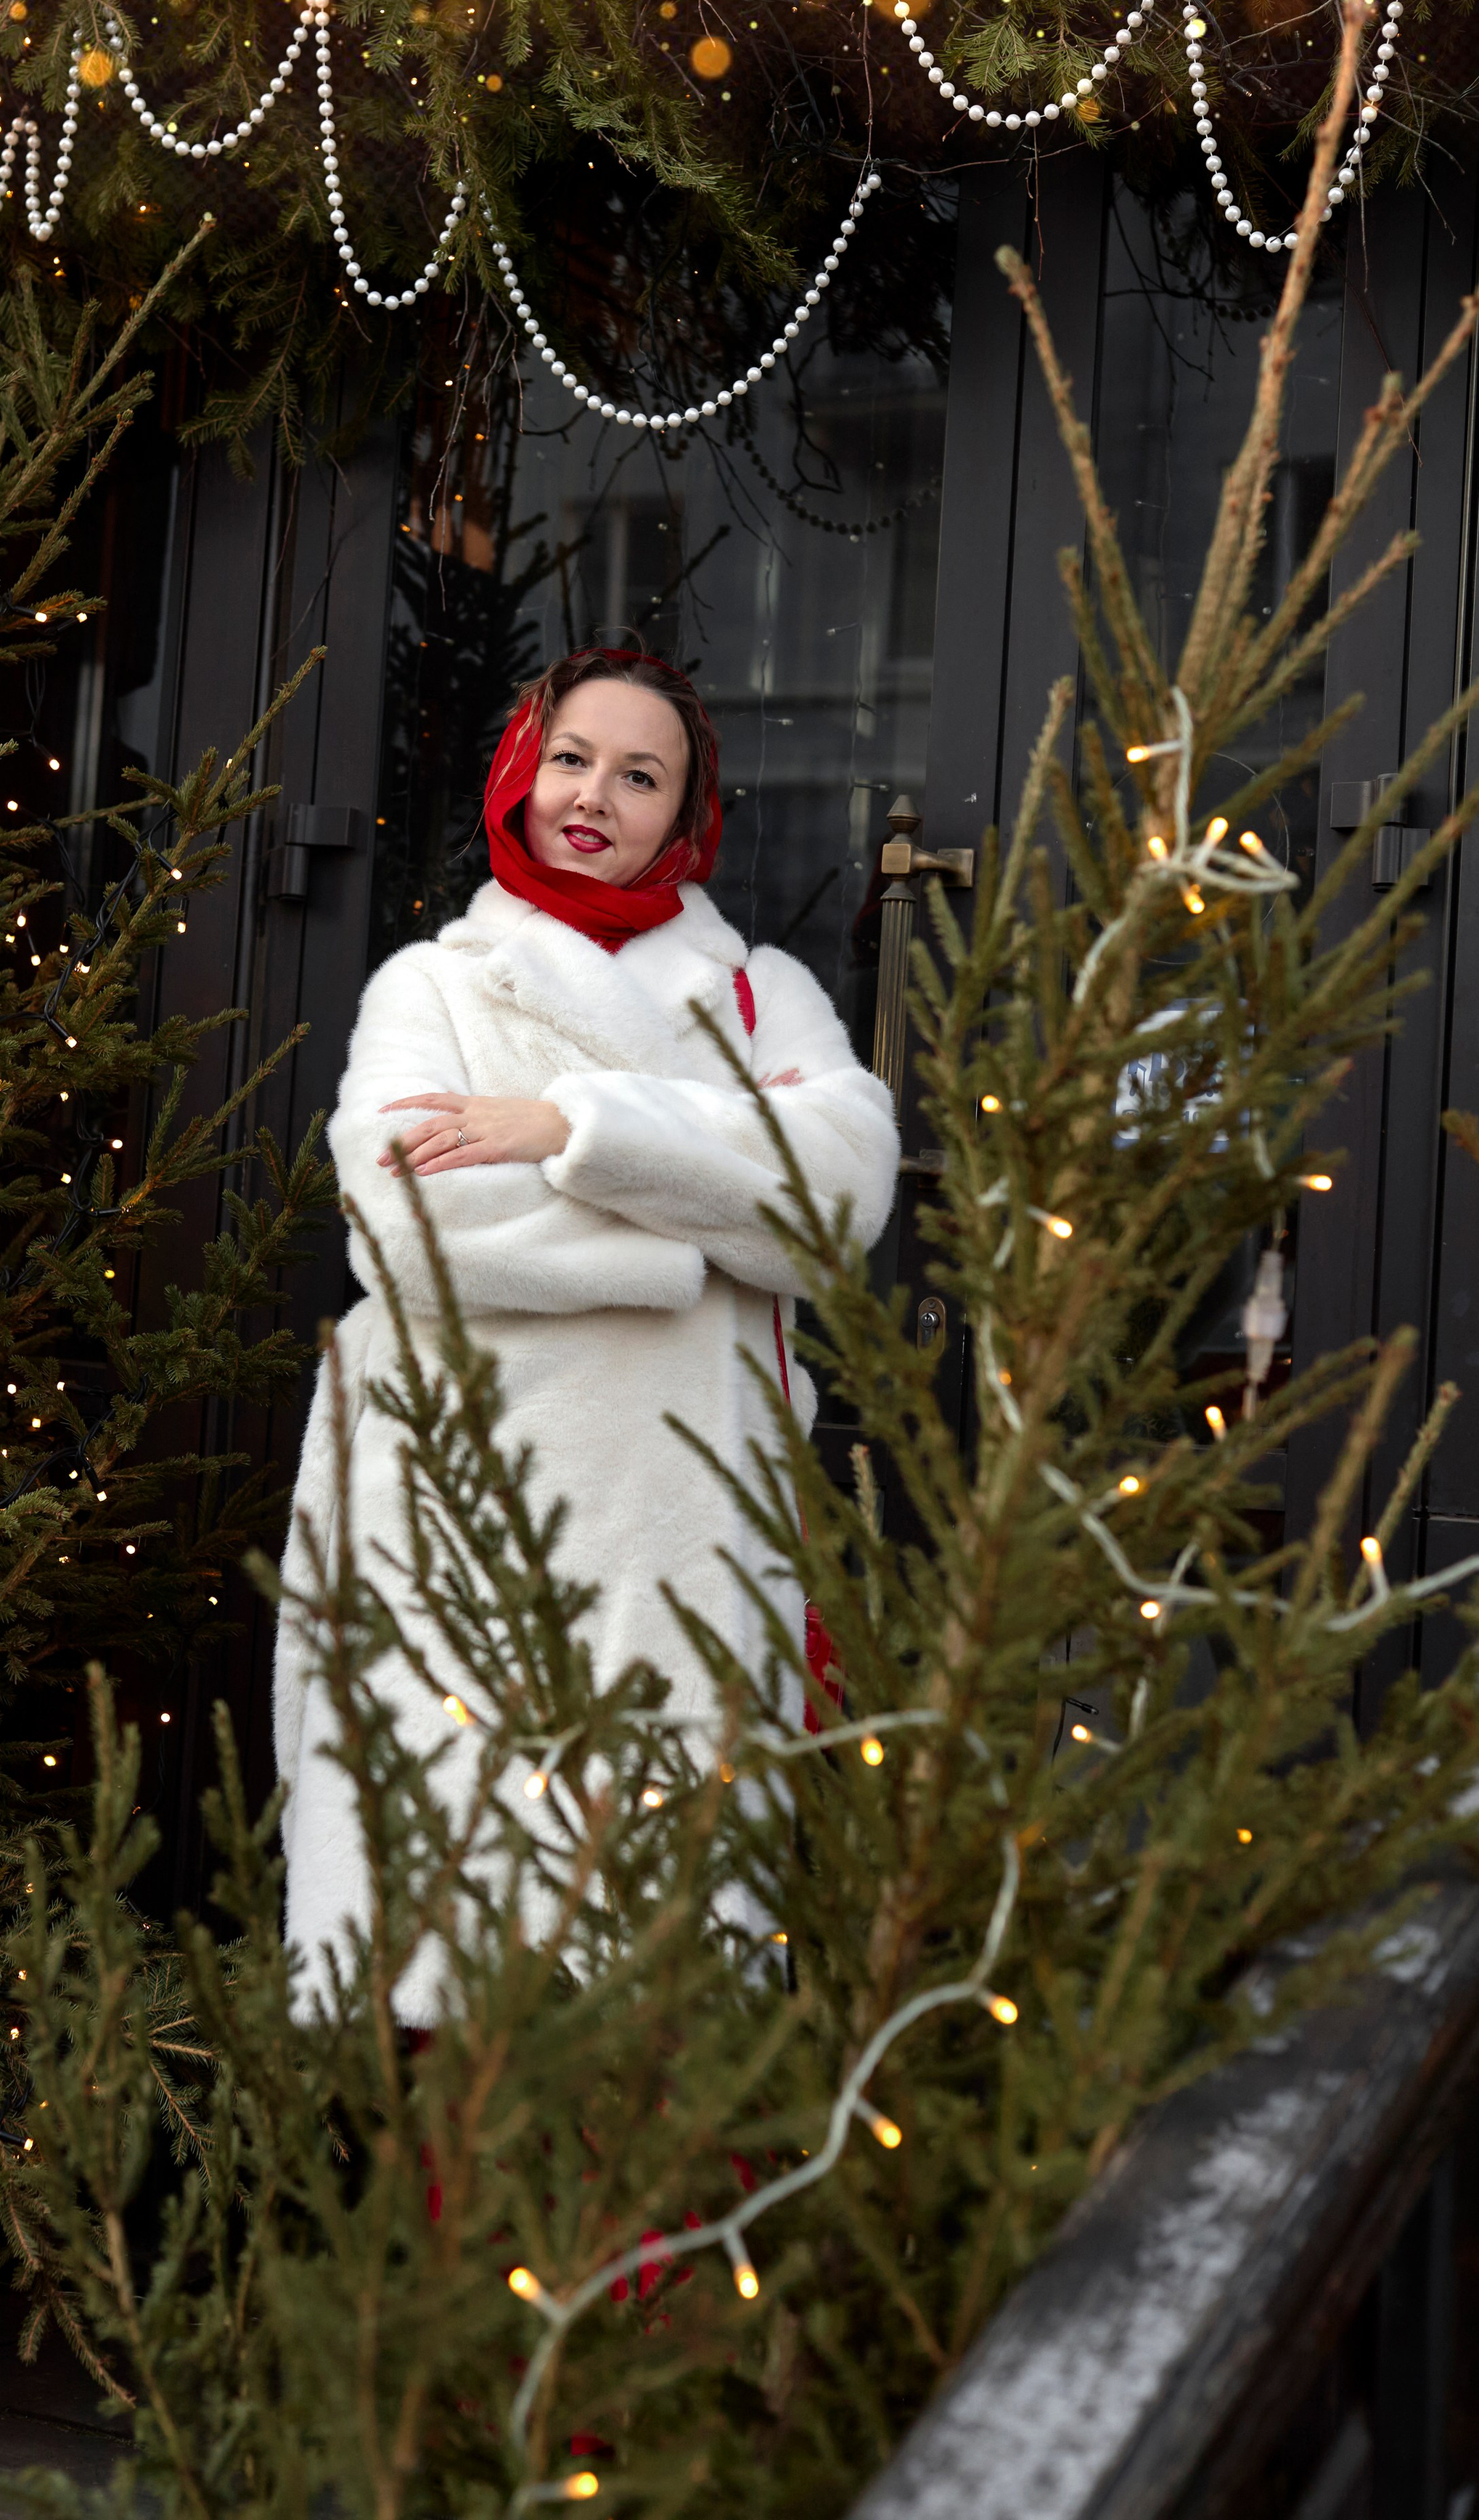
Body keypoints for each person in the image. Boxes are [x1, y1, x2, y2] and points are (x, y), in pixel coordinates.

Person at [273, 647, 899, 2014]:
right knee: (458, 2014)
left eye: (640, 773)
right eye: (572, 758)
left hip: (687, 1551)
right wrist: (698, 1235)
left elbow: (838, 1190)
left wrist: (575, 1128)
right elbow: (406, 1226)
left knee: (660, 2043)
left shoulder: (760, 993)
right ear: (521, 769)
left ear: (686, 814)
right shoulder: (432, 987)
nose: (595, 795)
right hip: (464, 1540)